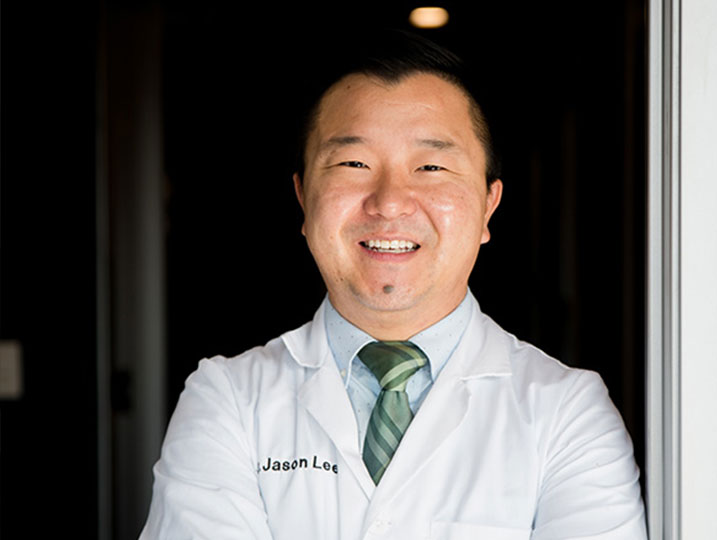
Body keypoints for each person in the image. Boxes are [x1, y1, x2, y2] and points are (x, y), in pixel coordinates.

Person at [140, 31, 647, 539]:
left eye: (431, 166)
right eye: (353, 164)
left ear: (489, 205)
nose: (388, 202)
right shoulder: (228, 400)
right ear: (303, 197)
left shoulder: (567, 413)